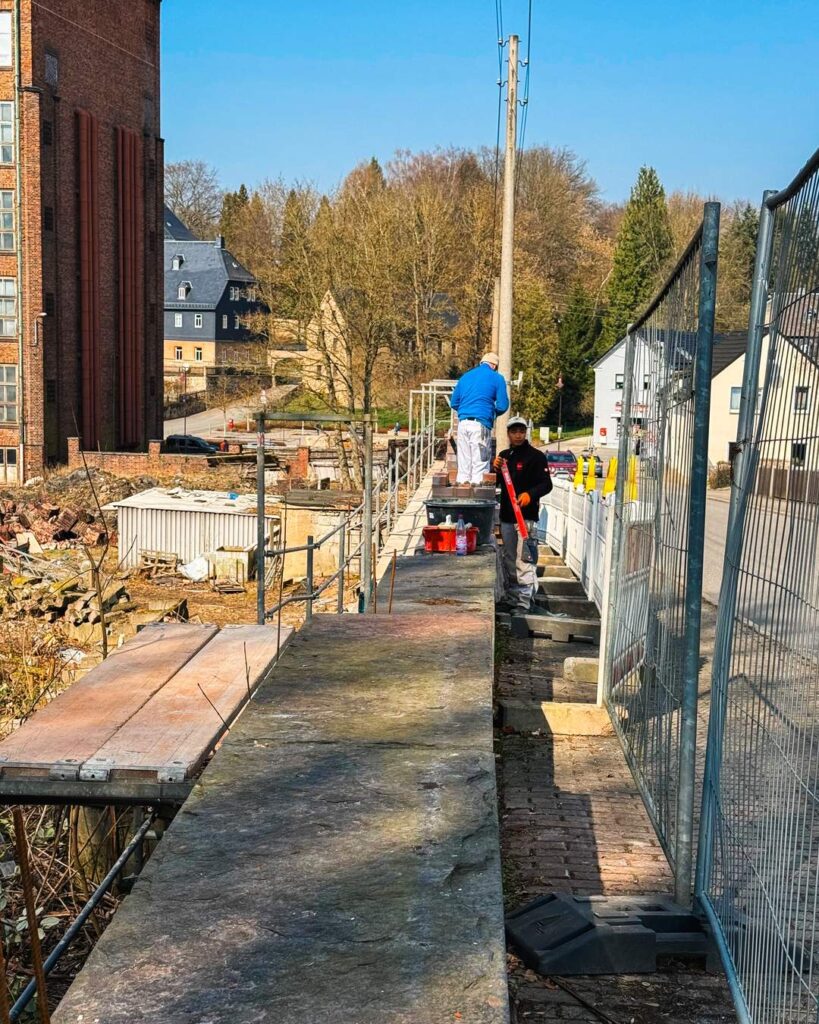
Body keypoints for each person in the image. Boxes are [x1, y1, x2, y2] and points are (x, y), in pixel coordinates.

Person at [494, 416, 553, 613]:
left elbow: (546, 484)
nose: (518, 435)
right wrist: (494, 471)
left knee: (525, 560)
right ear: (508, 433)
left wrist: (530, 494)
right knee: (510, 558)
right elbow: (496, 484)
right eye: (514, 431)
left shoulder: (536, 456)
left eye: (521, 431)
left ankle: (524, 602)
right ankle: (512, 599)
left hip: (525, 518)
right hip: (507, 517)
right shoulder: (504, 456)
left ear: (525, 432)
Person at [450, 352, 509, 484]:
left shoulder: (465, 377)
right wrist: (491, 414)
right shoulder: (497, 378)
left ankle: (462, 490)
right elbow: (503, 405)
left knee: (464, 465)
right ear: (494, 366)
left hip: (463, 425)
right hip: (480, 424)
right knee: (480, 466)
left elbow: (454, 403)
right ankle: (478, 496)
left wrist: (465, 411)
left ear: (482, 363)